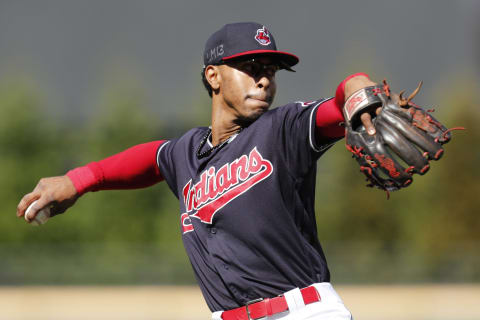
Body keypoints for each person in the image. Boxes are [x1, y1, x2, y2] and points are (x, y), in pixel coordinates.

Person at [17, 22, 379, 320]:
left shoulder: (285, 128)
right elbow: (150, 158)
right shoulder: (187, 153)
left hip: (303, 313)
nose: (265, 79)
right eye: (252, 67)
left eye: (270, 70)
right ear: (214, 76)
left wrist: (357, 85)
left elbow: (337, 106)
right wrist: (77, 181)